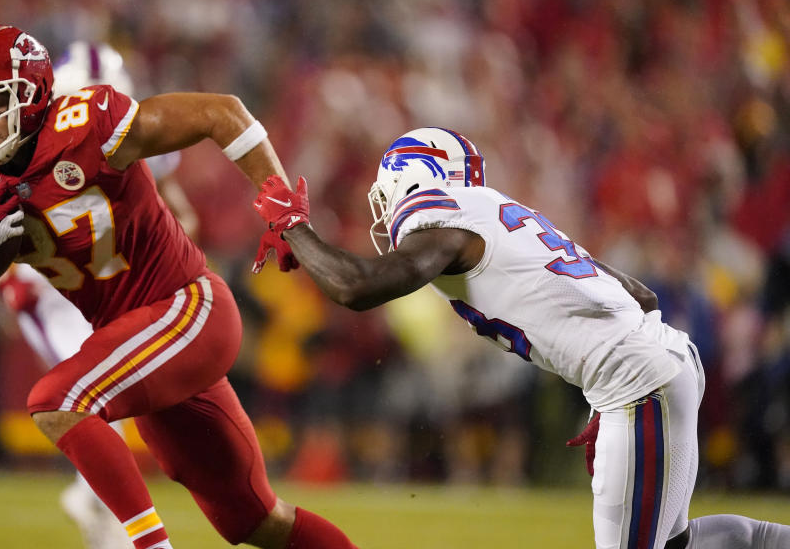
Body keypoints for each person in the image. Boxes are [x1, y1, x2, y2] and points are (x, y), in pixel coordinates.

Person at [0, 24, 357, 549]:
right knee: (256, 521)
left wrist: (285, 213)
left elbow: (222, 112)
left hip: (186, 308)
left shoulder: (89, 124)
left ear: (32, 92)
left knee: (58, 401)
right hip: (139, 341)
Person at [251, 126, 790, 549]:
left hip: (640, 382)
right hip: (665, 361)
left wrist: (294, 224)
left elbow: (355, 287)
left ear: (409, 180)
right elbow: (640, 295)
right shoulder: (494, 212)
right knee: (674, 544)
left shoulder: (442, 218)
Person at [0, 39, 200, 549]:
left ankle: (102, 512)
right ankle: (113, 522)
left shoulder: (119, 126)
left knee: (103, 396)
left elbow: (179, 210)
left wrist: (166, 241)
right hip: (50, 285)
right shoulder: (31, 135)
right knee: (87, 396)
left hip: (106, 283)